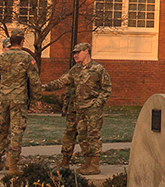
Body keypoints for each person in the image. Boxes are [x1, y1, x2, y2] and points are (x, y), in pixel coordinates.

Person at [42, 42, 112, 175]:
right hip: (78, 109)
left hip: (92, 110)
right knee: (80, 136)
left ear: (86, 51)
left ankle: (94, 165)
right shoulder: (75, 70)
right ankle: (83, 162)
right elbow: (61, 81)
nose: (75, 55)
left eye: (77, 52)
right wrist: (45, 87)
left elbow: (107, 88)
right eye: (74, 53)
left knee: (93, 135)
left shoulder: (98, 69)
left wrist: (97, 103)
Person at [0, 28, 42, 175]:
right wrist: (37, 99)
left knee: (0, 129)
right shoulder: (27, 58)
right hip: (19, 100)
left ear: (10, 41)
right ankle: (13, 166)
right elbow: (34, 80)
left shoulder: (1, 58)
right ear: (22, 41)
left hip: (3, 99)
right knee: (16, 131)